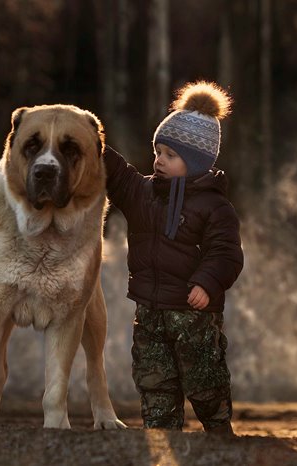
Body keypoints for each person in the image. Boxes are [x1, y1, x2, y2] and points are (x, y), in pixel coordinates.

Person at [105, 81, 244, 434]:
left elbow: (226, 254)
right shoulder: (143, 192)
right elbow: (119, 177)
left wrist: (208, 283)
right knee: (155, 378)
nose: (159, 160)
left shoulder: (215, 206)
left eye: (170, 155)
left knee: (204, 378)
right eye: (158, 151)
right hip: (149, 310)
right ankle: (162, 432)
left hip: (193, 313)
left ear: (195, 163)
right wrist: (94, 144)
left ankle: (218, 429)